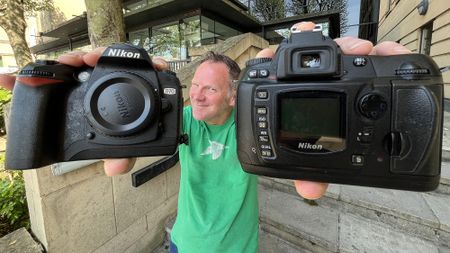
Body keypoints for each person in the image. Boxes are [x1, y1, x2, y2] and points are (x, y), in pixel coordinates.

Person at [0, 22, 412, 253]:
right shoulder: (182, 121)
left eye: (210, 89)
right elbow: (115, 166)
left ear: (234, 95)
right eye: (194, 84)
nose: (196, 93)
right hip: (185, 244)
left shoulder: (256, 126)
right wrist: (99, 92)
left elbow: (312, 187)